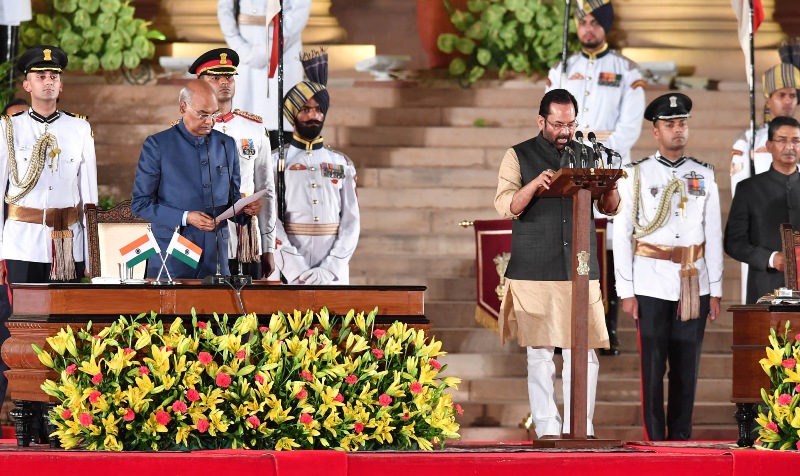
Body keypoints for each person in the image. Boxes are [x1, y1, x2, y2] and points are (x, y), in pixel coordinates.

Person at [494, 88, 619, 439]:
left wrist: (610, 185)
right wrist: (535, 184)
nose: (564, 131)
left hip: (580, 269)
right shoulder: (517, 155)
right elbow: (506, 206)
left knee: (586, 353)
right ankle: (548, 430)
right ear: (541, 120)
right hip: (536, 269)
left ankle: (581, 427)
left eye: (570, 123)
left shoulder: (587, 154)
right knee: (541, 354)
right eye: (557, 123)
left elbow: (609, 208)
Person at [0, 44, 97, 442]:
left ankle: (60, 415)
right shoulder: (10, 129)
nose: (49, 80)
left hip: (66, 243)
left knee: (63, 331)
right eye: (40, 75)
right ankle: (27, 409)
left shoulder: (79, 129)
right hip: (22, 241)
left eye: (54, 75)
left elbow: (88, 197)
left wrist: (92, 253)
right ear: (27, 83)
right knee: (23, 332)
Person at [613, 93, 723, 441]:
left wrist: (716, 289)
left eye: (683, 123)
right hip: (650, 282)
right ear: (655, 131)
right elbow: (622, 233)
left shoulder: (703, 173)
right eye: (670, 125)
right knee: (652, 366)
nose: (678, 130)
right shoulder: (635, 174)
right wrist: (625, 291)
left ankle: (681, 440)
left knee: (686, 368)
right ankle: (655, 442)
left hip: (694, 280)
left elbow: (713, 233)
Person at [546, 0, 646, 355]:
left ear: (606, 27)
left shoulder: (626, 71)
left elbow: (630, 126)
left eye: (594, 23)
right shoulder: (562, 68)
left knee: (610, 245)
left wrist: (595, 154)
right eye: (582, 22)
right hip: (567, 164)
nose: (588, 28)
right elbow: (549, 117)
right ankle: (563, 327)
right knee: (567, 242)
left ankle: (609, 328)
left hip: (609, 164)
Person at [131, 79, 259, 279]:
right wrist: (186, 217)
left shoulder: (226, 144)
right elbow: (140, 205)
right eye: (203, 115)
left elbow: (232, 202)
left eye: (214, 114)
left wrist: (245, 211)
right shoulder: (157, 145)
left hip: (216, 257)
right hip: (172, 256)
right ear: (183, 107)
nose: (210, 121)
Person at [271, 51, 360, 285]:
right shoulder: (274, 161)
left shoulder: (342, 163)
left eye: (319, 109)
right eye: (305, 109)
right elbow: (269, 219)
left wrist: (331, 268)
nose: (314, 115)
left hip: (333, 270)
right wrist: (295, 269)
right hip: (288, 269)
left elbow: (351, 221)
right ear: (293, 115)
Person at [189, 47, 277, 279]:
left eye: (228, 76)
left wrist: (268, 246)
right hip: (201, 234)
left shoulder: (254, 128)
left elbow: (266, 189)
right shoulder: (186, 130)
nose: (224, 82)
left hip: (245, 238)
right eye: (215, 78)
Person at [729, 63, 800, 303]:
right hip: (765, 255)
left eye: (793, 95)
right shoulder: (748, 140)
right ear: (767, 100)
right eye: (781, 95)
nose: (788, 101)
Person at [218, 0, 312, 146]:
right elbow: (225, 10)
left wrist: (268, 50)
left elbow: (298, 12)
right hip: (244, 54)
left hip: (283, 53)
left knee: (278, 126)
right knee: (244, 128)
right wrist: (240, 49)